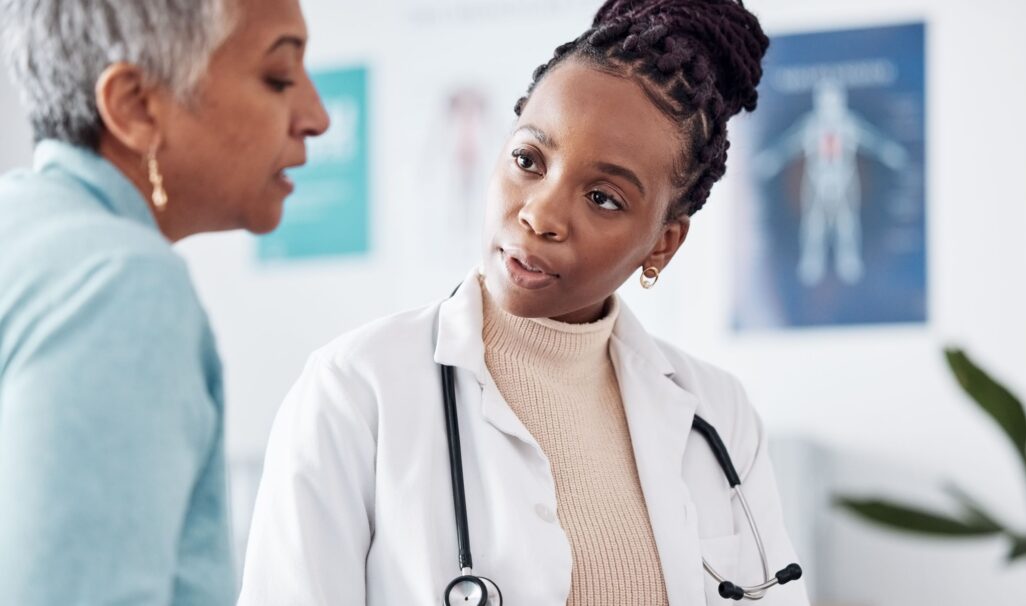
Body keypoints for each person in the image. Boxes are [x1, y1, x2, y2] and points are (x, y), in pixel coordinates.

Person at [240, 0, 808, 604]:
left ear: (663, 245)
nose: (539, 213)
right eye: (528, 160)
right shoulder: (356, 390)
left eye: (603, 197)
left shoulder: (719, 415)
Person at [0, 0, 328, 603]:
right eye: (278, 78)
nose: (317, 116)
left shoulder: (21, 230)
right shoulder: (118, 285)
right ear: (136, 106)